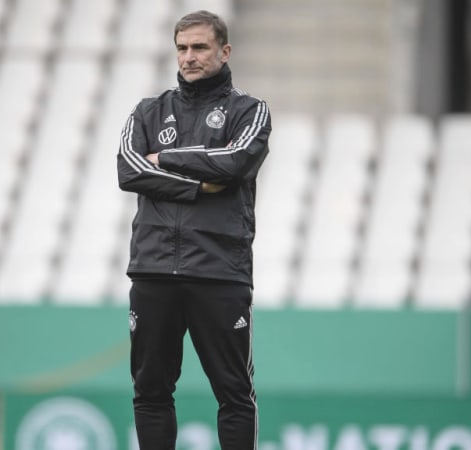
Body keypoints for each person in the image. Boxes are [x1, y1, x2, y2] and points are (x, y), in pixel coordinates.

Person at [117, 10, 271, 450]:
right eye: (182, 48)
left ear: (224, 51)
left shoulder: (251, 111)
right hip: (153, 269)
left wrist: (164, 160)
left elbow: (235, 161)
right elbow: (128, 171)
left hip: (220, 270)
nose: (189, 57)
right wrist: (201, 183)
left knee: (234, 394)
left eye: (200, 47)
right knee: (150, 392)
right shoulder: (149, 110)